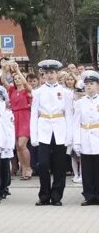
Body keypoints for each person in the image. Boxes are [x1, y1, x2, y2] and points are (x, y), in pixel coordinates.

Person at [30, 59, 74, 206]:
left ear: (57, 74)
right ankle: (44, 195)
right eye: (46, 73)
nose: (49, 75)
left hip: (60, 130)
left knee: (59, 165)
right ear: (43, 75)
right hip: (43, 130)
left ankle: (56, 196)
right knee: (42, 164)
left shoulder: (66, 92)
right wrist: (34, 135)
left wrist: (69, 136)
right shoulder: (37, 92)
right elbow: (33, 114)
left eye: (52, 72)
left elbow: (69, 114)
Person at [72, 69, 99, 205]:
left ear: (97, 85)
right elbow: (76, 124)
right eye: (87, 84)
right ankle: (89, 195)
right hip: (85, 137)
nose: (89, 86)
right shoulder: (80, 103)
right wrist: (76, 142)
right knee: (87, 169)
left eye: (92, 83)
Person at [6, 63, 33, 179]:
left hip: (24, 116)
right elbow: (3, 81)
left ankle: (28, 168)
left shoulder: (26, 90)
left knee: (22, 144)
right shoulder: (12, 90)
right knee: (17, 146)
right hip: (14, 117)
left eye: (19, 78)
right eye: (15, 79)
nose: (17, 80)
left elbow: (26, 84)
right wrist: (4, 69)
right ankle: (22, 168)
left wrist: (17, 70)